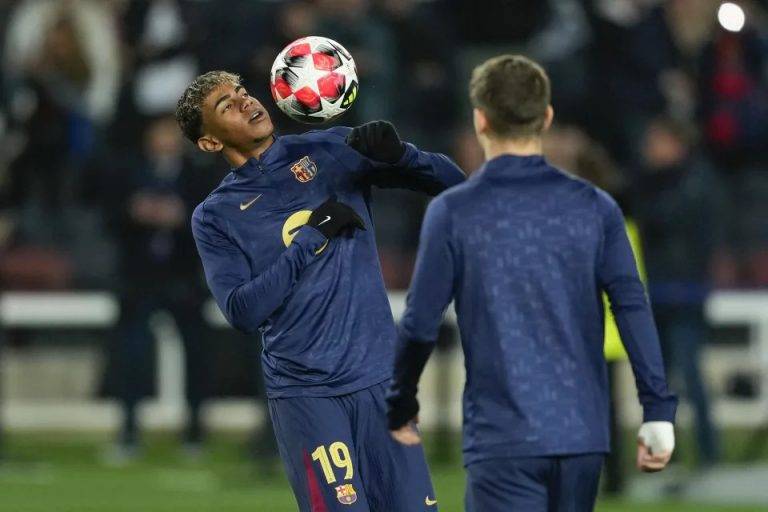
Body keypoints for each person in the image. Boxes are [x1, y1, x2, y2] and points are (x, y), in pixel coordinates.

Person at [386, 55, 678, 511]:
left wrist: (400, 403)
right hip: (582, 435)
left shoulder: (455, 211)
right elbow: (631, 306)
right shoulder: (596, 206)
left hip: (504, 436)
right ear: (546, 117)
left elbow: (421, 323)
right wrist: (657, 411)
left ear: (480, 119)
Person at [176, 70, 465, 511]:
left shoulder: (330, 149)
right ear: (210, 143)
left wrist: (401, 155)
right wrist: (312, 238)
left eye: (242, 93)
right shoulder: (215, 216)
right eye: (226, 106)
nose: (246, 103)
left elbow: (455, 185)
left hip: (379, 380)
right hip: (306, 394)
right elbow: (242, 311)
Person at [104, 114, 215, 458]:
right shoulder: (128, 173)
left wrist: (181, 218)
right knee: (131, 357)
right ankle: (129, 431)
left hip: (184, 280)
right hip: (138, 281)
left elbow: (215, 221)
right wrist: (134, 212)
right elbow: (107, 217)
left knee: (197, 355)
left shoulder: (198, 175)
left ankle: (194, 431)